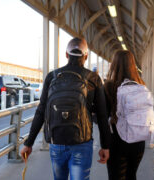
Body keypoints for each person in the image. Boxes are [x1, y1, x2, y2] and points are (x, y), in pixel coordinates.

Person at [20, 37, 111, 180]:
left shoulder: (52, 76)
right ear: (86, 56)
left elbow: (41, 111)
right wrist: (105, 146)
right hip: (82, 142)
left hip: (57, 142)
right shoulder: (93, 78)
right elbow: (102, 115)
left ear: (66, 55)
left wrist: (28, 143)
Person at [104, 50, 146, 180]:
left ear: (114, 65)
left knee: (116, 177)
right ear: (132, 65)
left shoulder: (109, 86)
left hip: (117, 141)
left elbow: (102, 116)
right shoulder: (141, 85)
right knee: (131, 176)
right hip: (138, 141)